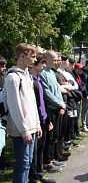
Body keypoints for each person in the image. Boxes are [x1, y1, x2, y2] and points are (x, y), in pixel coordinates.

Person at [5, 43, 42, 182]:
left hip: (31, 127)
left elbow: (32, 103)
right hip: (21, 130)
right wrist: (24, 130)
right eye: (32, 57)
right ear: (22, 56)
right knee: (22, 164)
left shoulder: (27, 76)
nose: (34, 60)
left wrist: (37, 124)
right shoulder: (13, 78)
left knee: (28, 163)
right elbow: (15, 107)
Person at [29, 49, 57, 183]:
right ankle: (34, 177)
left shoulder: (38, 79)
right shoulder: (30, 80)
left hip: (43, 118)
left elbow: (43, 101)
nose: (44, 66)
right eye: (42, 64)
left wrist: (47, 120)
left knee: (40, 148)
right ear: (34, 65)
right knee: (34, 151)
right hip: (36, 120)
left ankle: (39, 174)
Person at [39, 50, 67, 172]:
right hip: (50, 109)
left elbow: (57, 90)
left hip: (57, 108)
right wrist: (59, 103)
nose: (57, 62)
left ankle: (51, 159)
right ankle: (47, 162)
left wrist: (61, 105)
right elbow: (47, 93)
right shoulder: (42, 73)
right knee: (49, 137)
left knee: (55, 135)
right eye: (54, 59)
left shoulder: (51, 72)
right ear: (47, 59)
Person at [0, 56, 13, 173]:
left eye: (4, 66)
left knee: (2, 141)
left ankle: (3, 163)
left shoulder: (2, 79)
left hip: (3, 114)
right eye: (2, 66)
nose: (4, 69)